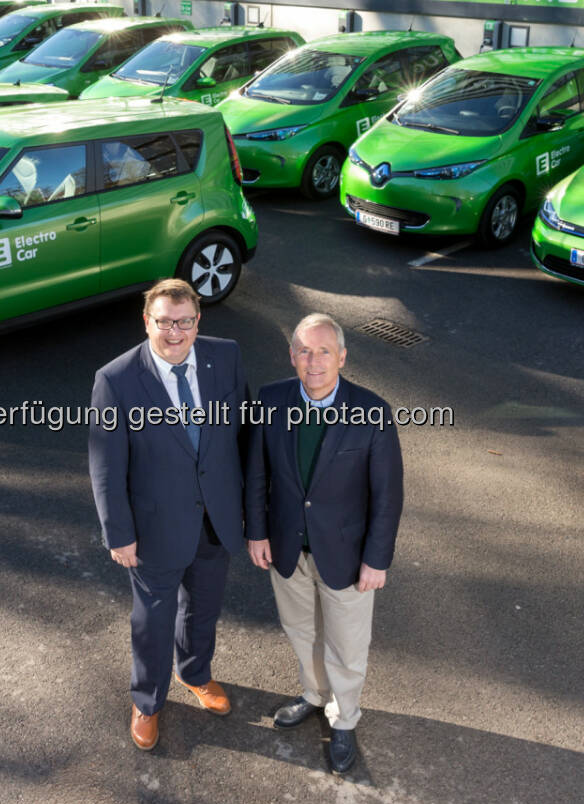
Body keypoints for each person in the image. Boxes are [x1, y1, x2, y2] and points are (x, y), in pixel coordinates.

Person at [88, 278, 249, 751]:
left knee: (203, 608)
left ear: (198, 321)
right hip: (153, 528)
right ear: (147, 321)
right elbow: (105, 465)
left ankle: (195, 673)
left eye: (184, 322)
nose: (175, 332)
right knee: (153, 621)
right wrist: (118, 534)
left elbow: (245, 432)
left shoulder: (227, 356)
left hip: (216, 518)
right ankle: (147, 701)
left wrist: (249, 509)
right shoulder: (115, 380)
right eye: (165, 322)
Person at [244, 313, 403, 773]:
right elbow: (257, 473)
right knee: (302, 631)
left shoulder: (372, 412)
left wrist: (376, 559)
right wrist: (256, 530)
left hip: (348, 557)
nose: (314, 362)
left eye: (324, 352)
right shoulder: (271, 400)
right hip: (286, 550)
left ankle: (345, 718)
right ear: (292, 355)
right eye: (304, 351)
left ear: (342, 358)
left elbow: (388, 495)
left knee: (348, 644)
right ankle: (314, 695)